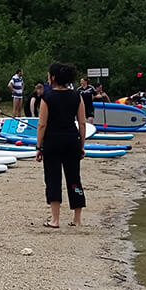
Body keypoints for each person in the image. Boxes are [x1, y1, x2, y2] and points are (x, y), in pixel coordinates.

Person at [35, 62, 86, 228]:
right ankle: (77, 219)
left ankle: (55, 219)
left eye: (49, 75)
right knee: (74, 179)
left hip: (52, 142)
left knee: (53, 178)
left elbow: (42, 125)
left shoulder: (47, 98)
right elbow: (82, 123)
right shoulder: (76, 96)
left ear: (54, 77)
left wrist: (38, 146)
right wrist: (82, 145)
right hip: (72, 140)